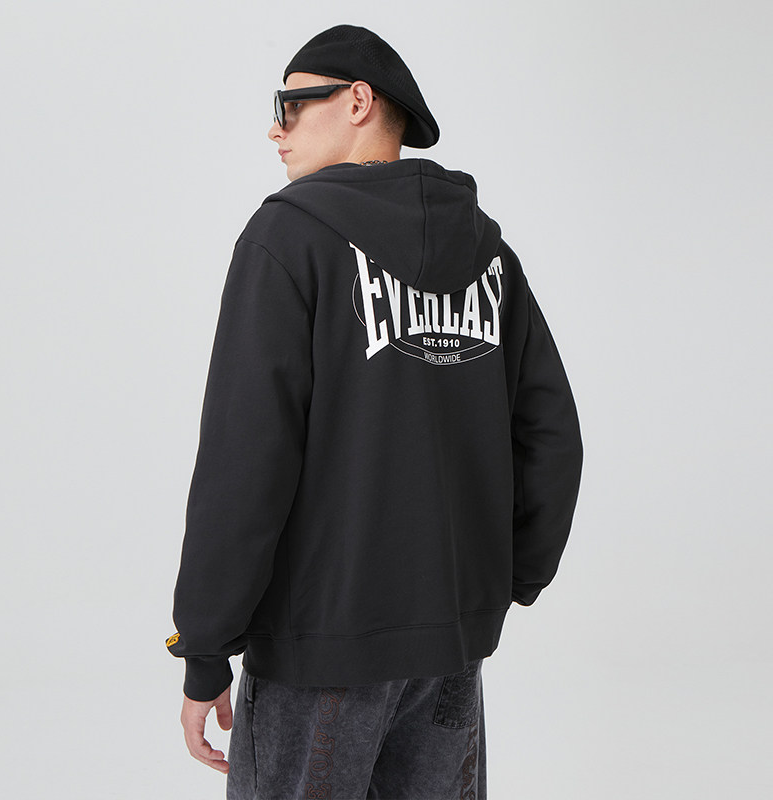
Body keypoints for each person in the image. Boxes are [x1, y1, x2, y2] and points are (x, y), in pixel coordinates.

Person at [166, 23, 584, 799]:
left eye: (291, 104)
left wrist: (204, 646)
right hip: (450, 643)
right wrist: (503, 580)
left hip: (318, 646)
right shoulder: (490, 256)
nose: (275, 128)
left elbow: (245, 457)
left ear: (358, 101)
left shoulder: (286, 238)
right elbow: (551, 436)